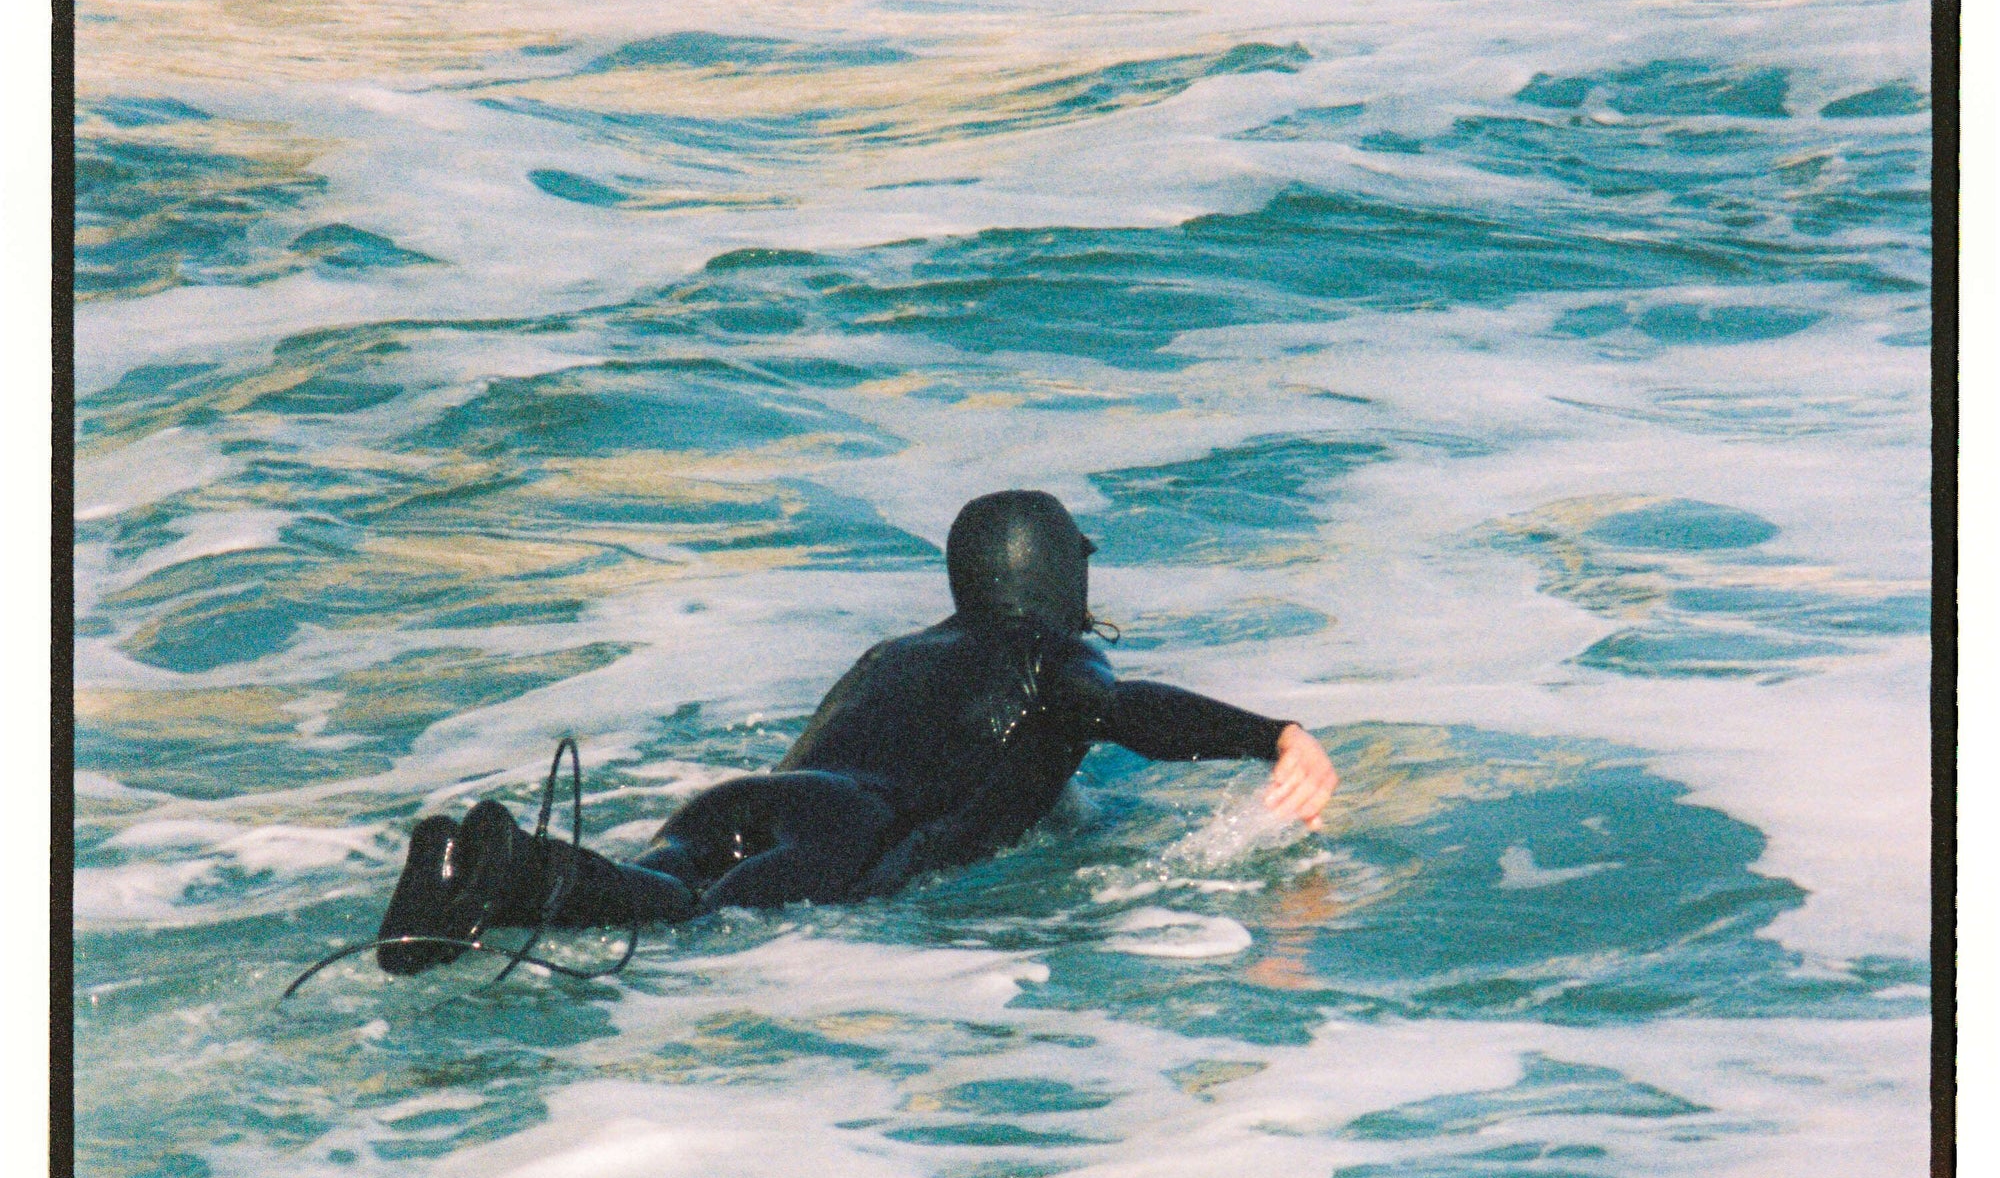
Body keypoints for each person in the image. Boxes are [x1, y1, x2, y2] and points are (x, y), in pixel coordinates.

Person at [374, 489, 1338, 974]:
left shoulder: (896, 655)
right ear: (1058, 577)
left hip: (749, 801)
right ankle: (502, 874)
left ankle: (498, 863)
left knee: (666, 886)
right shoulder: (1050, 658)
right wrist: (1274, 735)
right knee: (691, 931)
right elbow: (1134, 713)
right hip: (849, 830)